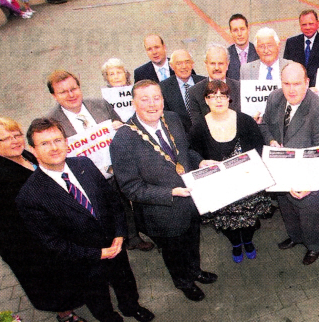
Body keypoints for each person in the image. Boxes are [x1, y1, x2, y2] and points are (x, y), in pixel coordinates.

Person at [16, 118, 155, 322]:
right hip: (82, 263)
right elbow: (53, 244)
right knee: (97, 297)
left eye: (57, 140)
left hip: (114, 247)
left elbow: (112, 201)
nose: (54, 148)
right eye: (44, 143)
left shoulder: (83, 164)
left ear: (66, 142)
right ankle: (109, 317)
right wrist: (97, 253)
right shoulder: (29, 196)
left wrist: (119, 234)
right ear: (33, 149)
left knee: (125, 281)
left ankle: (131, 306)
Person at [110, 80, 218, 302]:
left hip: (191, 202)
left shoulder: (172, 119)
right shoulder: (123, 139)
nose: (152, 104)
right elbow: (130, 187)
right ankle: (184, 282)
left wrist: (199, 162)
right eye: (145, 99)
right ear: (133, 103)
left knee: (192, 241)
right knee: (173, 252)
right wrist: (170, 193)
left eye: (156, 98)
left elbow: (185, 152)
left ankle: (195, 270)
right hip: (162, 213)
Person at [0, 117, 87, 322]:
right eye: (6, 139)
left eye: (17, 135)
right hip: (31, 245)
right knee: (52, 285)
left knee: (68, 276)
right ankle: (66, 316)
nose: (15, 141)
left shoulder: (23, 155)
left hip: (50, 230)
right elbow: (4, 225)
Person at [47, 70, 154, 252]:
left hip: (117, 168)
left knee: (127, 202)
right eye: (63, 92)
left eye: (74, 88)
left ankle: (134, 236)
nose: (71, 95)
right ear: (54, 96)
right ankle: (110, 243)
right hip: (87, 178)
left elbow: (121, 128)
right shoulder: (51, 121)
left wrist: (120, 127)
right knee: (103, 211)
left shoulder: (99, 105)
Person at [259, 62, 319, 265]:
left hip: (308, 177)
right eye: (286, 84)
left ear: (307, 82)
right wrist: (271, 141)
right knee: (288, 212)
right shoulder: (275, 98)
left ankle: (314, 246)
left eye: (297, 84)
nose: (291, 89)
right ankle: (295, 237)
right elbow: (265, 125)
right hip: (283, 174)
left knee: (310, 219)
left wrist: (309, 185)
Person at [189, 80, 271, 263]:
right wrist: (200, 161)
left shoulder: (245, 120)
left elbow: (259, 146)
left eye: (223, 96)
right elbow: (191, 151)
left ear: (229, 99)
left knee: (249, 218)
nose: (218, 100)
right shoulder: (199, 126)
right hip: (219, 187)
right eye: (213, 96)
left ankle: (248, 241)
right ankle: (235, 244)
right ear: (206, 100)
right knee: (226, 222)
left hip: (246, 183)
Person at [188, 43, 241, 125]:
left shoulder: (240, 88)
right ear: (206, 65)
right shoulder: (194, 92)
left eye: (220, 63)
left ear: (227, 65)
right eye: (212, 63)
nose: (216, 68)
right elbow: (197, 125)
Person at [159, 49, 206, 133]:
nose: (184, 66)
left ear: (192, 64)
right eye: (179, 63)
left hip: (206, 136)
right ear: (172, 66)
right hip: (180, 137)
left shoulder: (205, 83)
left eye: (187, 62)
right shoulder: (163, 88)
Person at [283, 9, 319, 87]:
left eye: (311, 24)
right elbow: (286, 67)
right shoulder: (291, 43)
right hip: (297, 88)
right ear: (300, 25)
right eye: (304, 24)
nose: (308, 27)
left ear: (318, 24)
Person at [226, 14, 260, 80]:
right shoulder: (226, 55)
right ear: (231, 32)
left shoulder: (258, 51)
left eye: (242, 29)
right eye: (235, 30)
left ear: (248, 30)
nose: (239, 34)